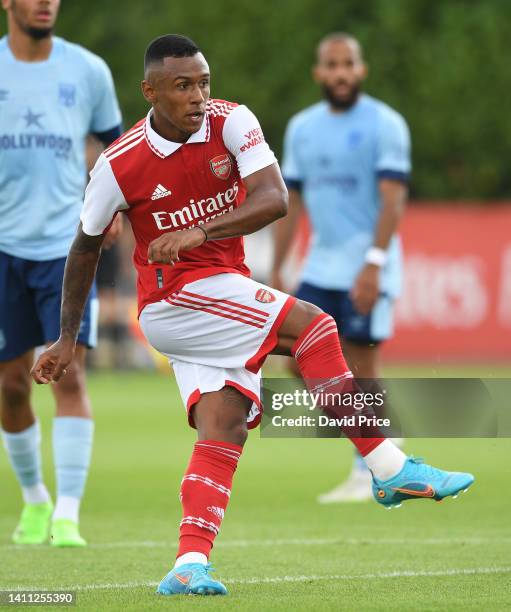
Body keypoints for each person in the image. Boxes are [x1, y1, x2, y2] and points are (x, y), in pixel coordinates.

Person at [32, 34, 474, 597]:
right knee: (315, 325)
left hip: (220, 289)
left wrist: (200, 230)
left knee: (225, 426)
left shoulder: (232, 122)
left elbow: (274, 198)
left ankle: (187, 565)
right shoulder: (121, 164)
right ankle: (388, 466)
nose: (198, 97)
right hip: (172, 301)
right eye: (182, 86)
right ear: (150, 92)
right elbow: (85, 246)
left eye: (204, 82)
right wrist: (67, 337)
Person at [0, 0, 122, 547]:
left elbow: (116, 146)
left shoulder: (88, 70)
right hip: (2, 250)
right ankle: (34, 501)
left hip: (64, 250)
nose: (45, 2)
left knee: (68, 374)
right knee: (9, 387)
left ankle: (68, 514)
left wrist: (112, 205)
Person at [272, 32, 409, 503]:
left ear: (361, 69)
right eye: (331, 65)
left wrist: (373, 265)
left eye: (347, 64)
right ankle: (374, 438)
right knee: (290, 354)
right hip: (321, 265)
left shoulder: (385, 124)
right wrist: (275, 267)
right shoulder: (302, 128)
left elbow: (393, 201)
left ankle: (369, 467)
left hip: (368, 266)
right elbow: (291, 200)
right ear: (318, 73)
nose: (339, 73)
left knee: (363, 366)